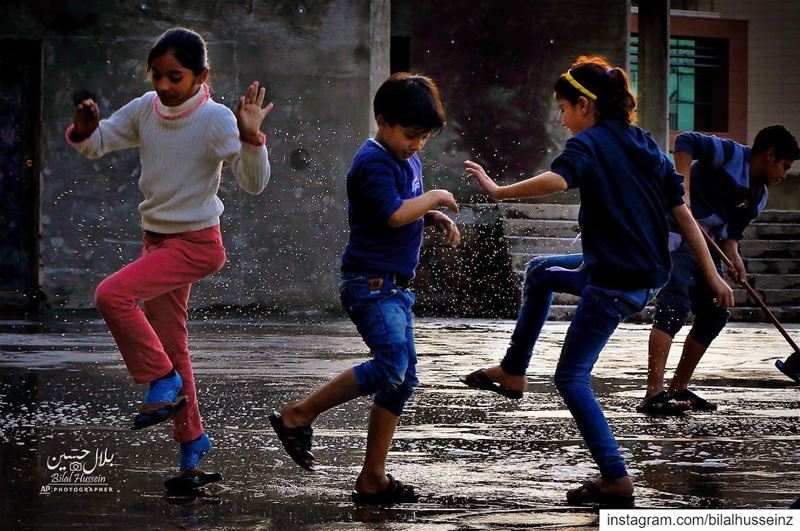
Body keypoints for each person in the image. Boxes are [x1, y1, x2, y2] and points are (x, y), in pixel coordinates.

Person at [458, 55, 734, 507]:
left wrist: (498, 190)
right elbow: (683, 214)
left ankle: (615, 478)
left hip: (614, 281)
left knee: (571, 378)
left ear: (585, 106)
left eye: (564, 108)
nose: (562, 119)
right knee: (541, 272)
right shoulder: (643, 143)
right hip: (636, 272)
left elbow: (557, 179)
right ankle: (513, 371)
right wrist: (711, 274)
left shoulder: (588, 144)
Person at [66, 27, 272, 490]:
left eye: (174, 76)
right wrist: (84, 129)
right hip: (157, 242)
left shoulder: (218, 119)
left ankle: (161, 379)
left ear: (202, 76)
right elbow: (97, 142)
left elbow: (253, 182)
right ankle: (191, 447)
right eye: (156, 74)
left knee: (111, 295)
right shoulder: (146, 109)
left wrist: (251, 135)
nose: (163, 85)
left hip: (197, 244)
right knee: (173, 345)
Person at [269, 72, 460, 504]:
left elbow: (404, 206)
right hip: (370, 284)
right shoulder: (372, 160)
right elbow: (393, 214)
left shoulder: (406, 159)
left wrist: (432, 216)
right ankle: (299, 414)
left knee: (402, 380)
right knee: (392, 366)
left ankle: (373, 478)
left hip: (394, 288)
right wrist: (435, 199)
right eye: (411, 135)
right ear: (382, 120)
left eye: (424, 139)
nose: (416, 145)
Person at [640, 125, 800, 413]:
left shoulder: (758, 196)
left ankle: (678, 388)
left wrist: (735, 260)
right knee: (673, 307)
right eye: (784, 166)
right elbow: (686, 141)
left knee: (716, 311)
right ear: (770, 155)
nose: (783, 174)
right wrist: (683, 190)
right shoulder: (730, 154)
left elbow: (730, 238)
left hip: (705, 245)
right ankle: (653, 393)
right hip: (674, 236)